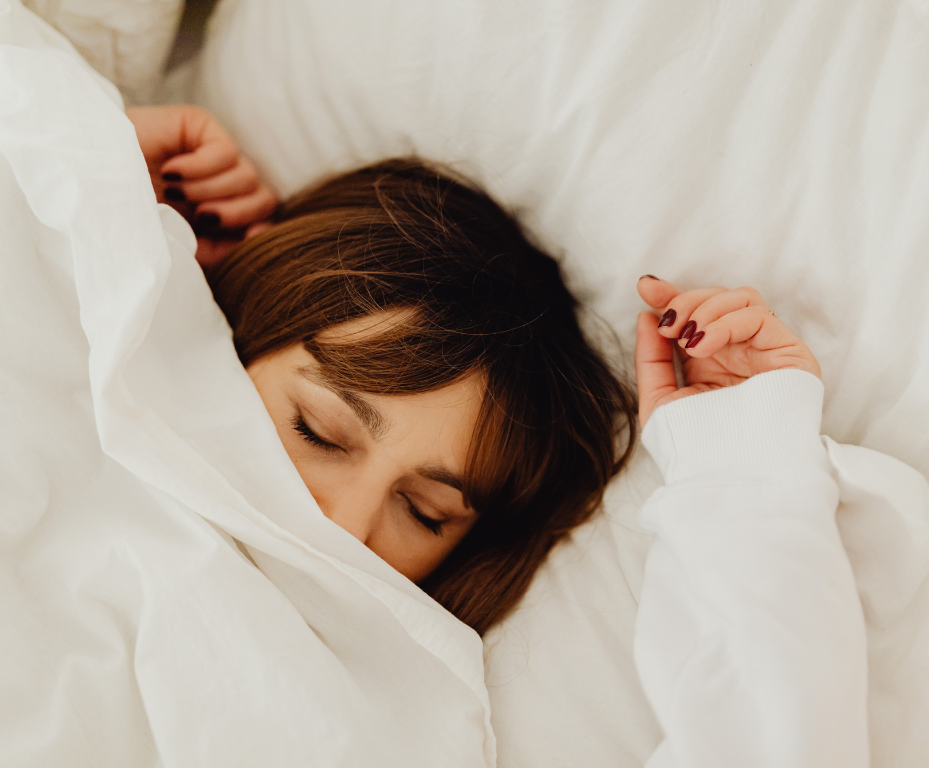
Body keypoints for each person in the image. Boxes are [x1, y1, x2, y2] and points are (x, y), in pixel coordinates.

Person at [128, 105, 867, 764]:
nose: (347, 528)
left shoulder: (405, 716)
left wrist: (741, 462)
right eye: (317, 431)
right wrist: (104, 195)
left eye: (425, 513)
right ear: (232, 325)